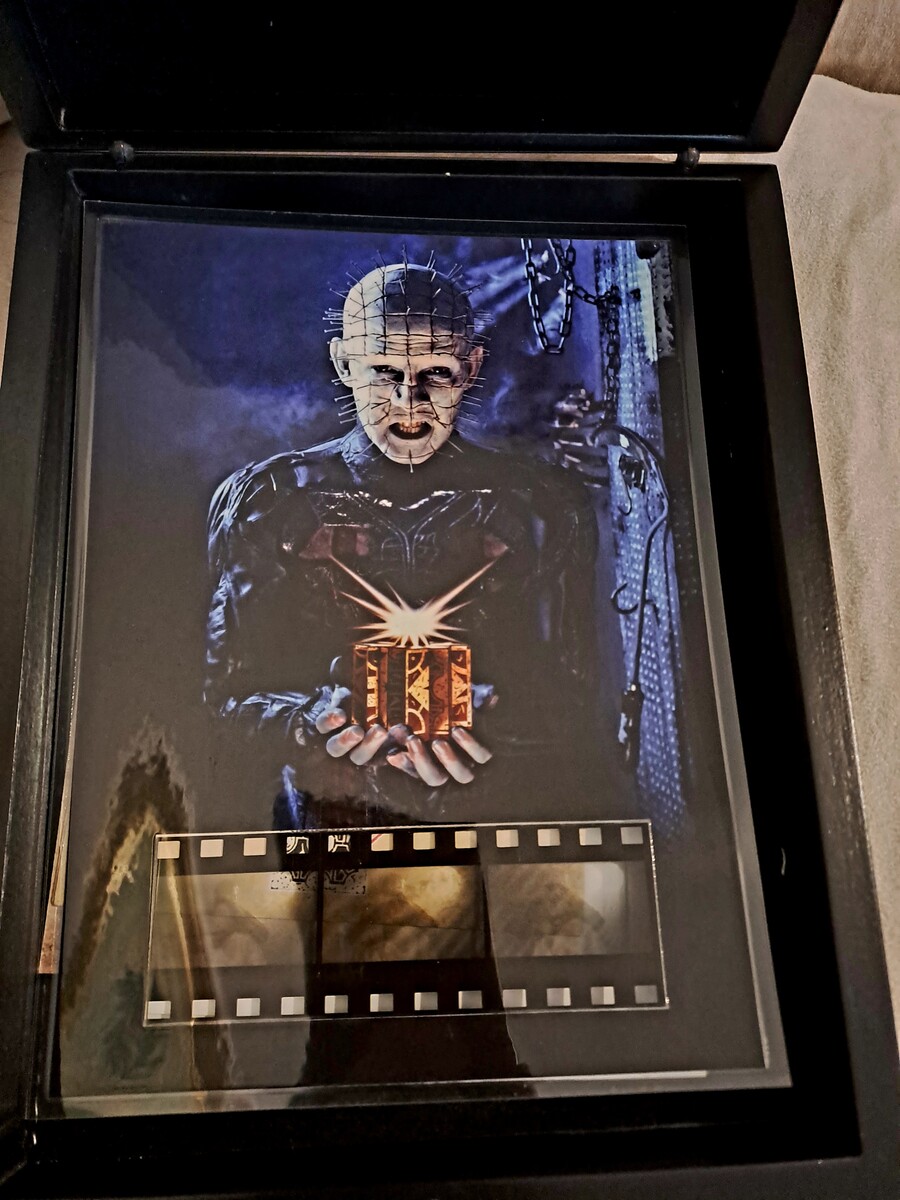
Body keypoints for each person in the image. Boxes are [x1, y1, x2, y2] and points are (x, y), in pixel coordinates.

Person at [205, 260, 608, 828]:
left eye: (436, 372)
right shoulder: (268, 508)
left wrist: (500, 722)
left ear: (471, 367)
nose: (408, 400)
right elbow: (224, 701)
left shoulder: (542, 510)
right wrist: (308, 720)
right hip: (328, 835)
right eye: (383, 371)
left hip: (496, 826)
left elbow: (573, 697)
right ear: (344, 364)